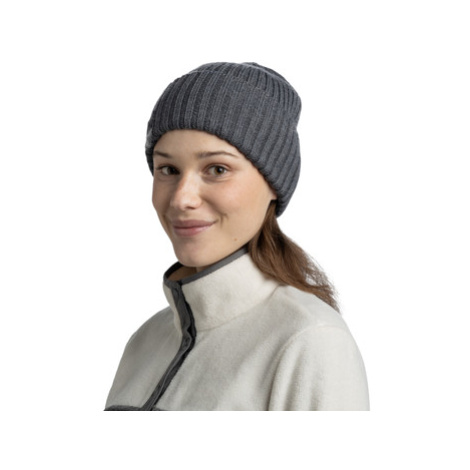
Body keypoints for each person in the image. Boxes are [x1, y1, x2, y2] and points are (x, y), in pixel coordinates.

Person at [105, 62, 369, 411]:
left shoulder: (310, 341)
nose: (181, 198)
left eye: (217, 169)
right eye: (168, 169)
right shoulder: (145, 342)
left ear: (273, 185)